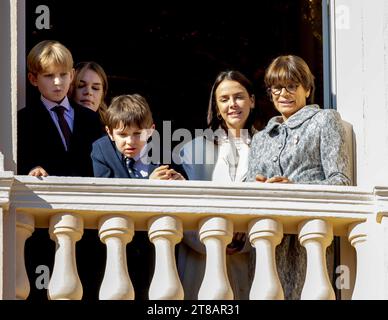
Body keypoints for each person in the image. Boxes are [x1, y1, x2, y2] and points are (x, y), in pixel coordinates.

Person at [246, 55, 351, 299]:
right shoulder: (262, 138)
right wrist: (256, 185)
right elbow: (248, 187)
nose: (284, 93)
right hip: (266, 240)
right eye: (277, 87)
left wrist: (294, 187)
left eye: (292, 85)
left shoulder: (325, 120)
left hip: (308, 235)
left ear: (307, 88)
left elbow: (340, 180)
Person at [91, 94, 186, 300]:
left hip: (155, 247)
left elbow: (184, 196)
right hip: (115, 246)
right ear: (109, 132)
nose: (130, 141)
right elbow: (106, 193)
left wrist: (179, 183)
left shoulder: (165, 153)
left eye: (138, 134)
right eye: (123, 134)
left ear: (151, 130)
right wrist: (147, 186)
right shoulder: (101, 150)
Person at [178, 70, 259, 299]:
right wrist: (217, 240)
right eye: (224, 99)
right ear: (216, 106)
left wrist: (243, 241)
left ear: (252, 101)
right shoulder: (191, 151)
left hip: (247, 261)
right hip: (201, 261)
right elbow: (183, 210)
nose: (232, 104)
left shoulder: (268, 148)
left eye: (239, 97)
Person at [17, 40, 103, 177]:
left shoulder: (91, 118)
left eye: (63, 74)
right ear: (33, 79)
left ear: (72, 75)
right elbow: (19, 159)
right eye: (49, 75)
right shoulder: (23, 120)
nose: (57, 82)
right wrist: (32, 168)